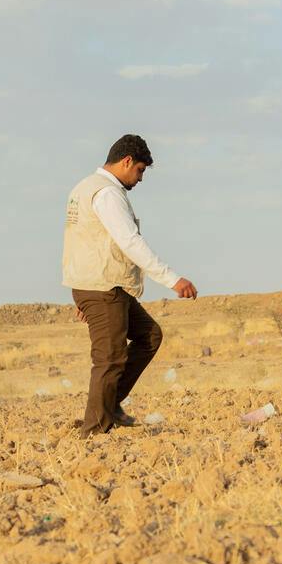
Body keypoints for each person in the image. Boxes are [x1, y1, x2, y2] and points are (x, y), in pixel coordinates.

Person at [62, 133, 198, 435]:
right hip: (103, 288)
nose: (140, 178)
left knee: (149, 335)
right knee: (109, 359)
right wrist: (172, 279)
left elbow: (82, 242)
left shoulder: (84, 187)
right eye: (140, 170)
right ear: (126, 161)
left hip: (99, 286)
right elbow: (130, 242)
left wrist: (82, 293)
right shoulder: (107, 194)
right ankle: (94, 431)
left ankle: (106, 407)